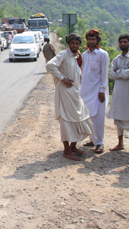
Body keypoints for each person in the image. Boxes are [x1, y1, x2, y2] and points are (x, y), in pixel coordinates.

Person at [46, 33, 93, 161]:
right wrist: (62, 79)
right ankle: (66, 150)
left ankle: (73, 146)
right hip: (65, 92)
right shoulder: (64, 54)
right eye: (72, 43)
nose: (74, 45)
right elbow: (50, 65)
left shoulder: (77, 56)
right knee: (67, 120)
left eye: (77, 43)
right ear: (68, 44)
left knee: (81, 118)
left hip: (75, 93)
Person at [108, 34, 129, 156]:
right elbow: (111, 74)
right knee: (118, 117)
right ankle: (120, 143)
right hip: (119, 92)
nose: (123, 44)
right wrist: (124, 72)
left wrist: (119, 72)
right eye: (121, 42)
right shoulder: (116, 59)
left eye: (125, 42)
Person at [80, 29, 110, 154]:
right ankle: (92, 140)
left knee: (98, 117)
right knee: (89, 116)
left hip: (98, 90)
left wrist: (102, 89)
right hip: (86, 90)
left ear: (97, 40)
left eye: (93, 39)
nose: (91, 41)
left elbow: (104, 73)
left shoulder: (103, 54)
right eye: (89, 39)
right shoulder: (84, 55)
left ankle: (100, 143)